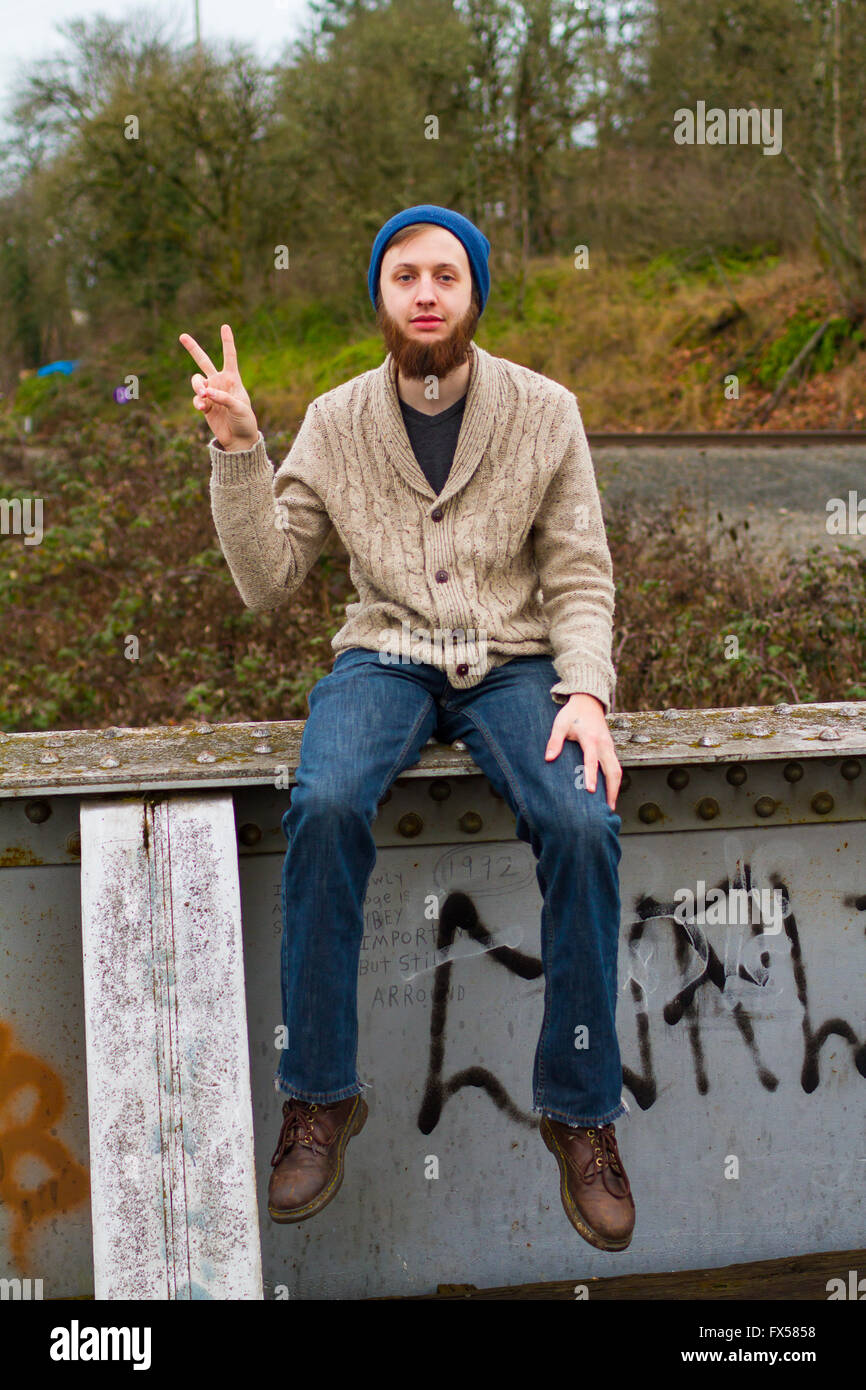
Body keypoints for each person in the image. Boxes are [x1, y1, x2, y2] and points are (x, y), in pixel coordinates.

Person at [179, 204, 635, 1253]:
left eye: (444, 275)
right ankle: (320, 1097)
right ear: (379, 297)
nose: (424, 292)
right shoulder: (337, 418)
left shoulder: (543, 409)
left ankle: (578, 1109)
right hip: (380, 657)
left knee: (580, 822)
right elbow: (266, 580)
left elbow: (577, 573)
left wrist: (586, 692)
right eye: (403, 277)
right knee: (327, 800)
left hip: (514, 663)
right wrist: (242, 450)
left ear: (473, 294)